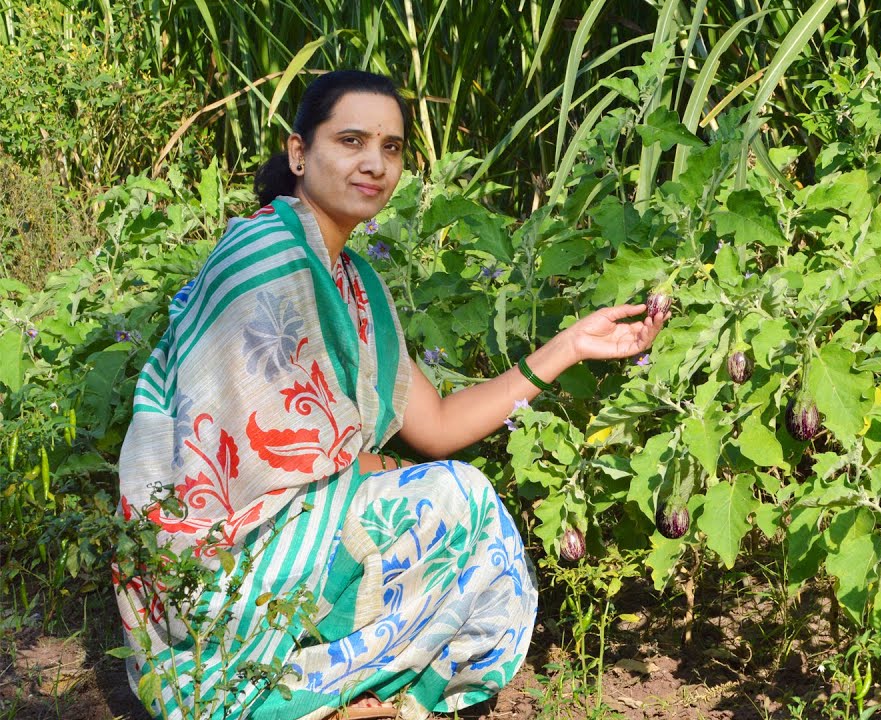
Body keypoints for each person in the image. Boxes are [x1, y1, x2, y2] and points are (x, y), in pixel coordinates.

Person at [114, 69, 669, 720]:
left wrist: (569, 346)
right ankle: (281, 692)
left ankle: (350, 691)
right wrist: (380, 468)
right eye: (351, 141)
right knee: (450, 496)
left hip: (291, 530)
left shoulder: (357, 284)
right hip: (208, 557)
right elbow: (256, 454)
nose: (375, 163)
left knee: (458, 497)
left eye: (392, 147)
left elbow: (437, 425)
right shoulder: (263, 255)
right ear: (299, 153)